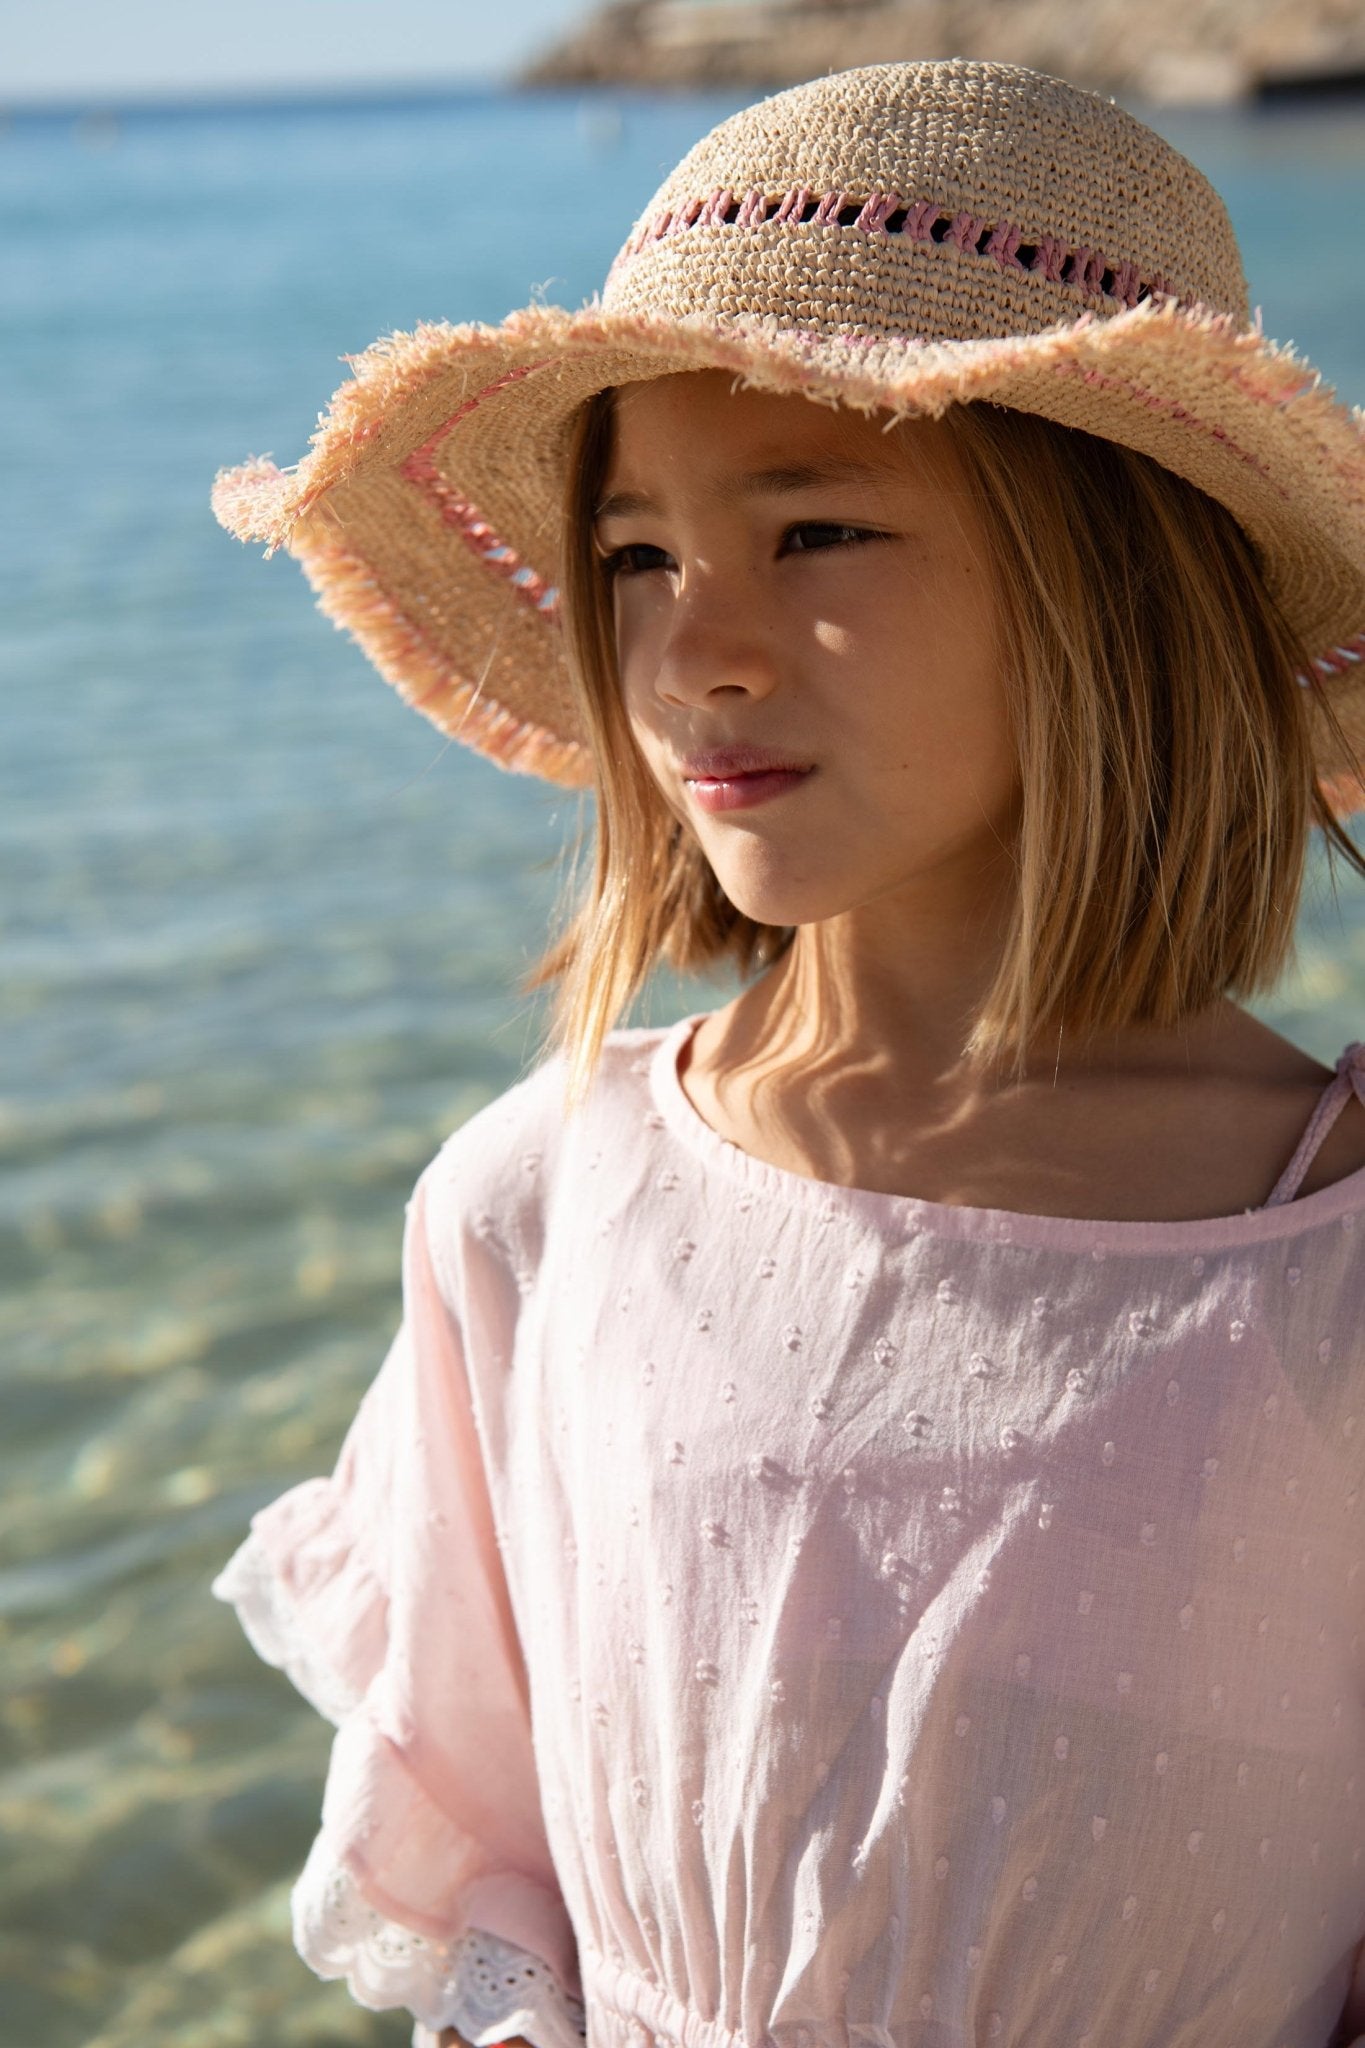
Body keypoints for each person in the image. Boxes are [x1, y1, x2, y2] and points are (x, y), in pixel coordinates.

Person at [209, 56, 1365, 2048]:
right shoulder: (538, 1204)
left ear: (1117, 580)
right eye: (638, 555)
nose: (693, 647)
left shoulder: (1321, 1239)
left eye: (813, 529)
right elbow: (503, 1898)